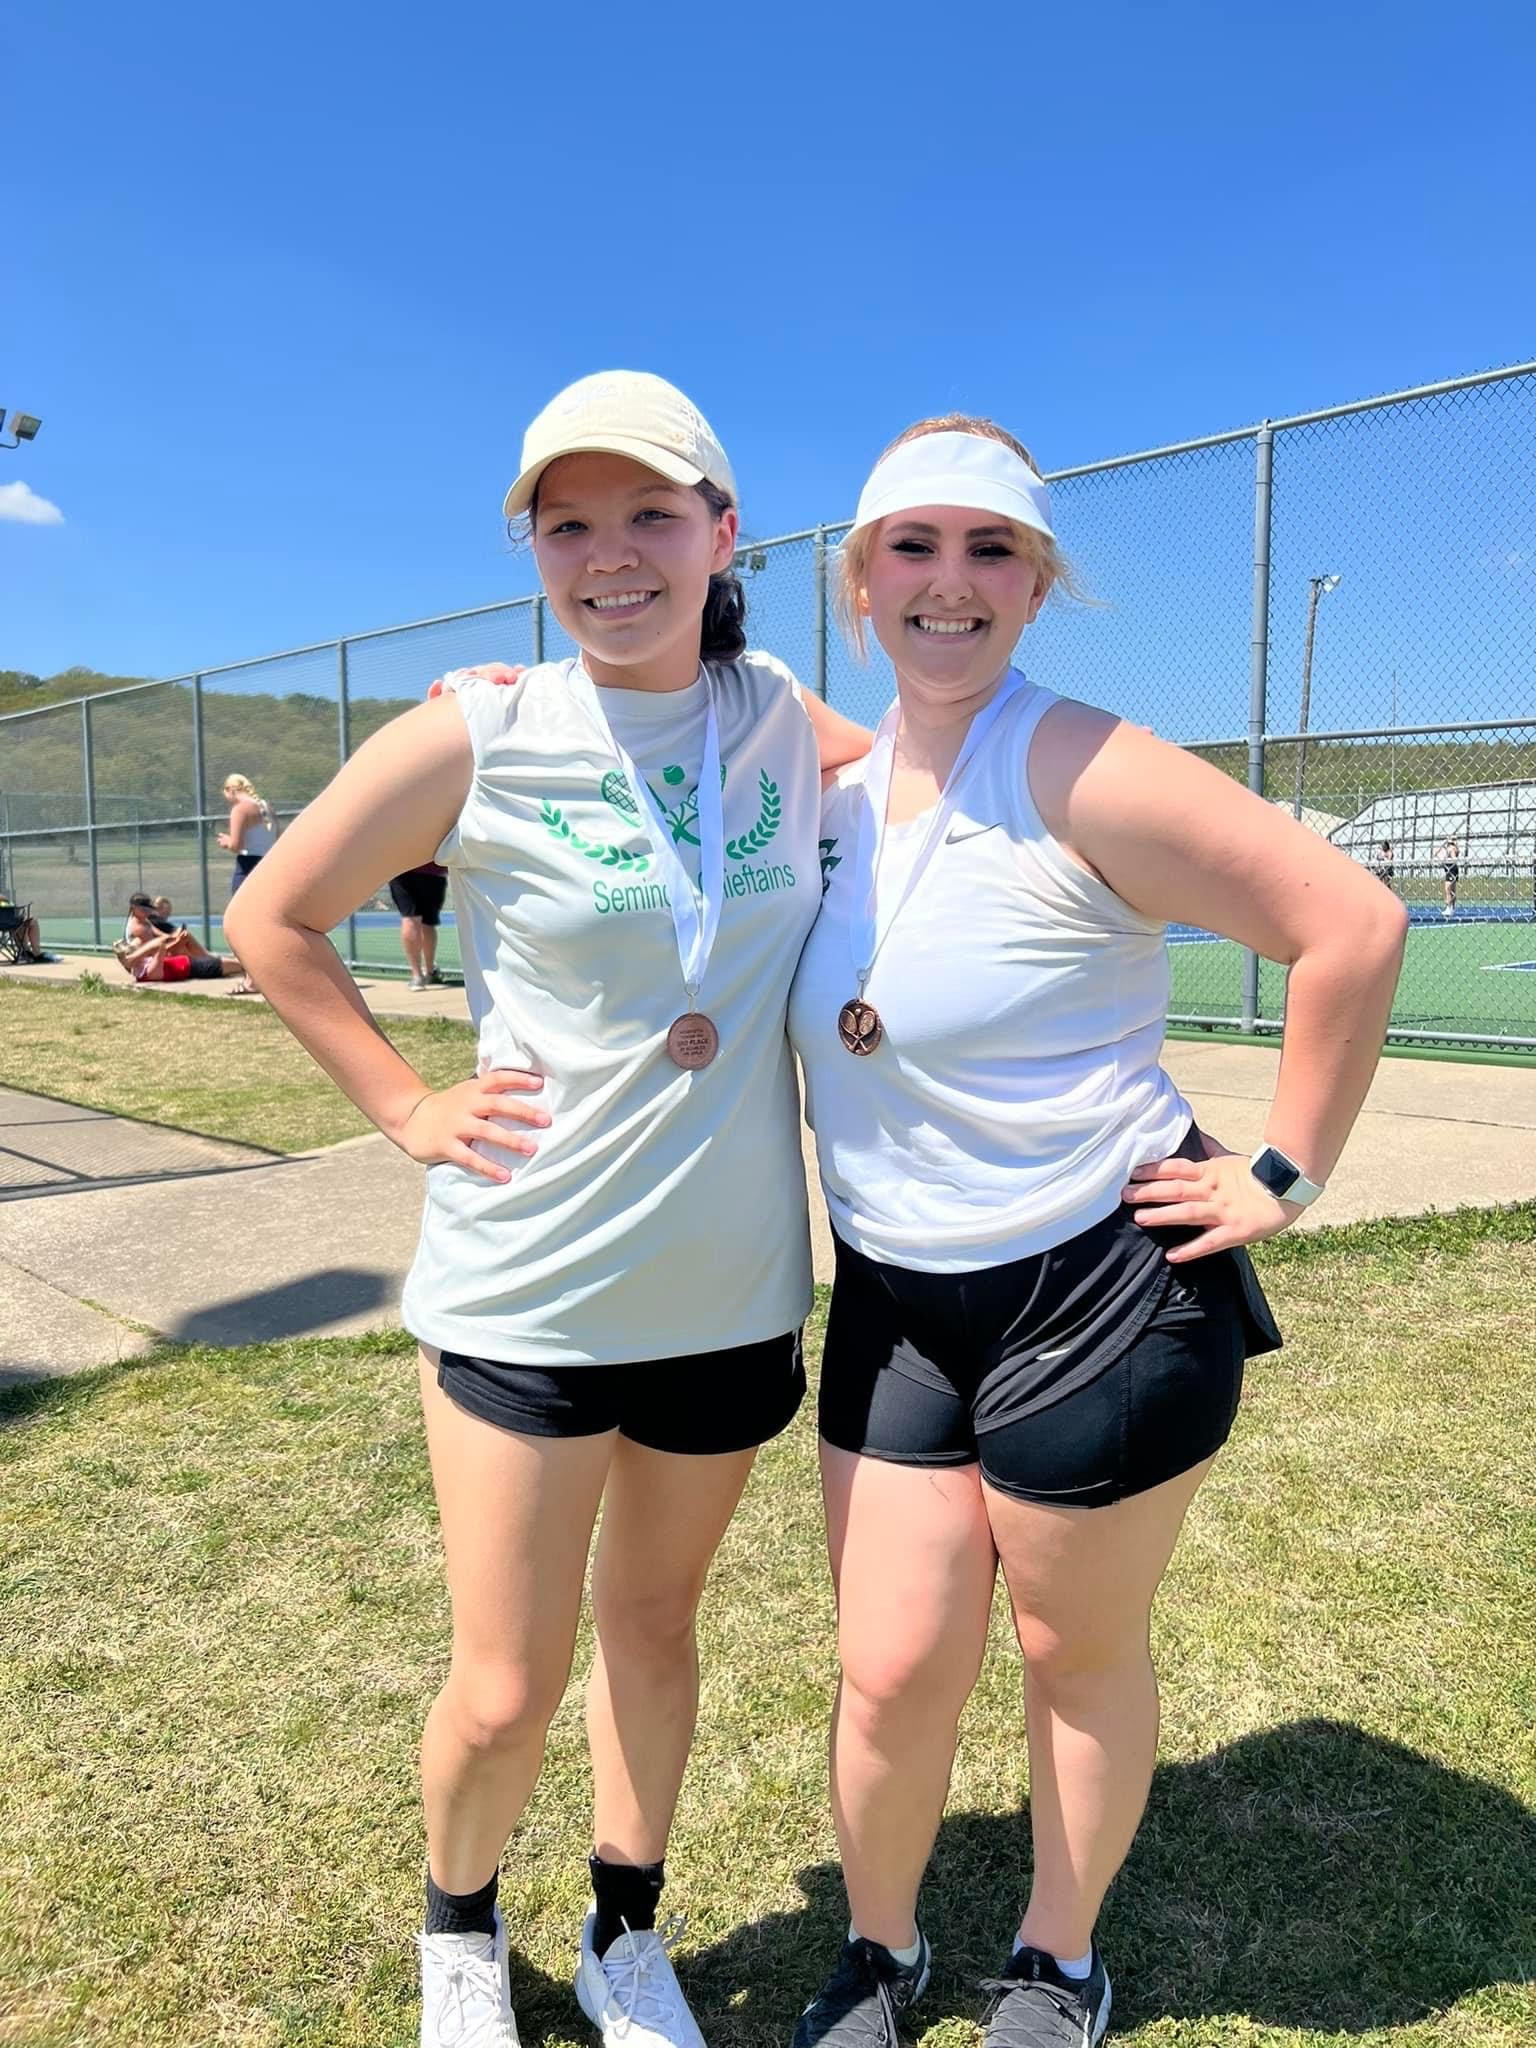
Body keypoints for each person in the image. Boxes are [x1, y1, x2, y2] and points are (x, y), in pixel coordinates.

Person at [224, 371, 870, 2048]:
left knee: (654, 1631)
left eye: (650, 514)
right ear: (532, 549)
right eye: (568, 522)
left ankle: (619, 1932)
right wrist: (405, 1103)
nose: (611, 554)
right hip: (527, 1292)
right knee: (504, 1681)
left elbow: (947, 775)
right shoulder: (479, 728)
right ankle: (460, 1937)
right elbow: (276, 918)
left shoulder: (785, 716)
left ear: (724, 533)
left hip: (729, 1295)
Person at [785, 415, 1408, 2048]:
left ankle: (1056, 1961)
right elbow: (664, 709)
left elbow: (1349, 923)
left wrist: (1284, 1171)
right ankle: (874, 1950)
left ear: (1036, 581)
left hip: (1099, 1287)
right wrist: (496, 707)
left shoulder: (1080, 759)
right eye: (911, 546)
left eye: (991, 548)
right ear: (860, 581)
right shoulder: (829, 780)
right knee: (891, 1660)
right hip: (896, 1298)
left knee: (1072, 1643)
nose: (949, 581)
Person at [391, 859, 450, 989]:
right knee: (428, 922)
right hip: (433, 869)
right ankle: (429, 972)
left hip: (402, 868)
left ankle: (417, 976)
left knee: (410, 919)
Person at [218, 773, 279, 893]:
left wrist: (227, 841)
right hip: (270, 866)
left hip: (248, 868)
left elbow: (236, 846)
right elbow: (278, 837)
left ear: (230, 790)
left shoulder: (240, 809)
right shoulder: (267, 807)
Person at [0, 893, 58, 963]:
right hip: (8, 922)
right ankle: (31, 952)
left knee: (29, 922)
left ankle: (28, 952)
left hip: (9, 922)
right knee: (24, 923)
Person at [1438, 836, 1460, 916]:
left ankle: (1449, 908)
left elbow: (1454, 857)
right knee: (1451, 890)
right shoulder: (1446, 848)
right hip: (1449, 869)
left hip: (1451, 869)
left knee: (1448, 890)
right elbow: (1436, 853)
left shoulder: (1451, 848)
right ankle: (1452, 908)